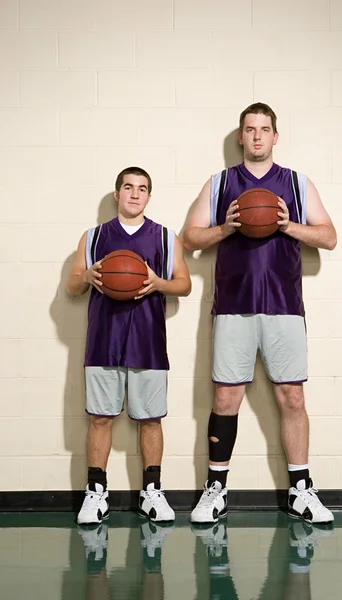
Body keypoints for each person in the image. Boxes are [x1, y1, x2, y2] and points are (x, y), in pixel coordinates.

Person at [183, 103, 337, 525]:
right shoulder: (220, 184)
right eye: (249, 130)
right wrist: (227, 228)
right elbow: (190, 238)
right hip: (233, 306)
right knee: (225, 397)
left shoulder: (296, 184)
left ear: (275, 136)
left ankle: (301, 490)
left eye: (264, 130)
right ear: (240, 136)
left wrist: (288, 225)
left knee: (292, 396)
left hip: (285, 307)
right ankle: (216, 490)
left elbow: (329, 236)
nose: (256, 137)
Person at [67, 166, 191, 525]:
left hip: (148, 341)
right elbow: (72, 286)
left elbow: (184, 285)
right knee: (100, 418)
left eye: (142, 189)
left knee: (150, 420)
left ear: (149, 196)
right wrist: (87, 276)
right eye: (128, 187)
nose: (135, 194)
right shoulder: (93, 237)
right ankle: (96, 493)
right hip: (103, 341)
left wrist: (157, 283)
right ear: (117, 193)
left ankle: (151, 492)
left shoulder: (166, 238)